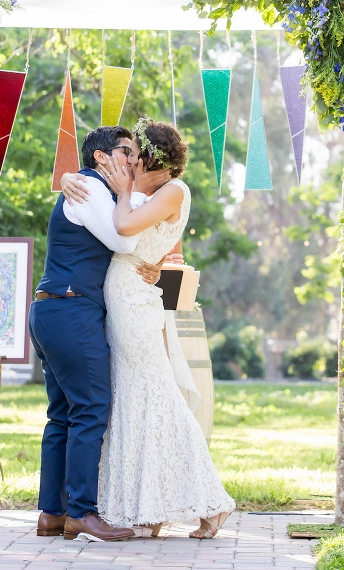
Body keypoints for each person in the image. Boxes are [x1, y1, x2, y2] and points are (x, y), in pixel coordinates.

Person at [62, 119, 235, 539]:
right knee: (133, 398)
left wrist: (123, 192)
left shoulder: (174, 190)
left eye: (135, 154)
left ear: (152, 158)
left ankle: (212, 503)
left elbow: (124, 229)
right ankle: (149, 508)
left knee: (156, 396)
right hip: (125, 293)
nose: (130, 160)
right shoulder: (151, 192)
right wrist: (74, 176)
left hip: (133, 299)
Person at [28, 125, 168, 542]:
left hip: (55, 309)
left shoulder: (95, 191)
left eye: (136, 154)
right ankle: (81, 513)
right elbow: (122, 242)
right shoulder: (88, 190)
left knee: (63, 415)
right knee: (91, 409)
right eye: (126, 152)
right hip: (71, 310)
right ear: (101, 158)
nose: (133, 160)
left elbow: (134, 229)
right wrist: (125, 192)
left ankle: (52, 514)